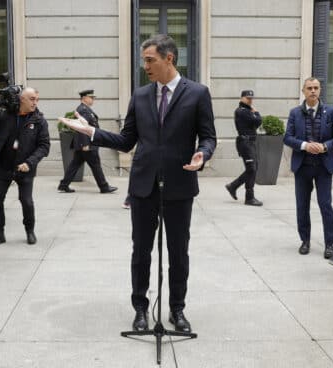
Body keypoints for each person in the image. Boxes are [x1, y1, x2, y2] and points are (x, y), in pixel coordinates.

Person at [60, 34, 217, 333]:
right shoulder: (141, 95)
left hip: (180, 185)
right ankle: (140, 309)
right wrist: (92, 132)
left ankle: (177, 310)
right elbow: (126, 140)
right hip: (143, 185)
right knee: (141, 251)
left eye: (150, 60)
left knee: (178, 252)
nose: (145, 66)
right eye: (144, 60)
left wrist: (203, 153)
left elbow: (208, 135)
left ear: (169, 58)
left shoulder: (197, 93)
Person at [283, 77, 333, 258]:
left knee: (325, 205)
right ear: (303, 91)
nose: (313, 91)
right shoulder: (295, 113)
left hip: (324, 167)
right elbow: (287, 137)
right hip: (303, 167)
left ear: (320, 90)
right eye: (309, 88)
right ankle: (305, 241)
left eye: (316, 88)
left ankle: (329, 244)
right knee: (302, 206)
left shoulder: (331, 112)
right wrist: (305, 145)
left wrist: (325, 146)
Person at [0, 87, 50, 247]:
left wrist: (30, 163)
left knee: (26, 201)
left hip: (25, 167)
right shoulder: (6, 116)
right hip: (3, 166)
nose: (35, 102)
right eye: (32, 99)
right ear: (22, 99)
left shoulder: (38, 120)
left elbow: (44, 146)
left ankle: (30, 230)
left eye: (36, 99)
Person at [58, 90, 117, 194]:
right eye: (91, 97)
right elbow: (82, 128)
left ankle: (63, 185)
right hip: (87, 143)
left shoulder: (85, 109)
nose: (93, 99)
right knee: (96, 165)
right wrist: (85, 144)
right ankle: (104, 187)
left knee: (74, 165)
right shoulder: (83, 110)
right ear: (84, 98)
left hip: (85, 143)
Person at [225, 89, 263, 206]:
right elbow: (258, 121)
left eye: (251, 98)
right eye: (247, 98)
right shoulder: (242, 111)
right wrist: (256, 113)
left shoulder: (247, 111)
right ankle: (249, 197)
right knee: (252, 169)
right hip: (245, 143)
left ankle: (233, 186)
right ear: (241, 98)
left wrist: (254, 116)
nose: (250, 100)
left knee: (253, 168)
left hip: (250, 143)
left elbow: (255, 124)